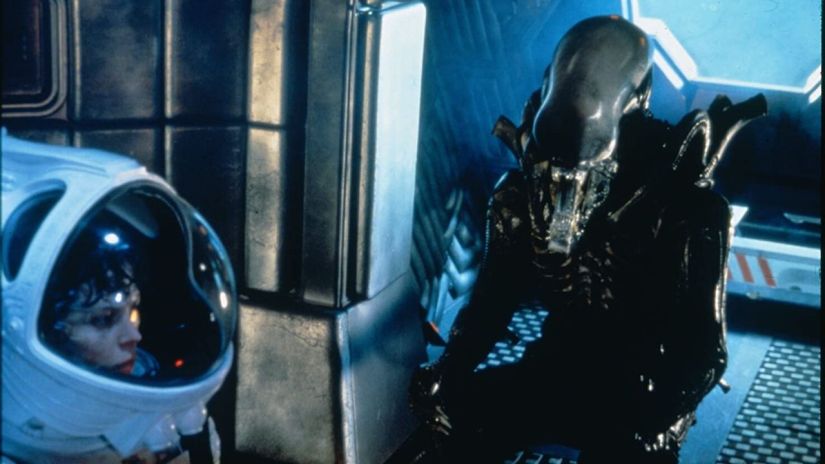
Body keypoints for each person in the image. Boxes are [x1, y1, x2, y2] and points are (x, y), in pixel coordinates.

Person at [409, 16, 766, 463]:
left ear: (636, 104)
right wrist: (449, 371)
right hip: (555, 365)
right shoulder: (518, 196)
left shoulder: (687, 209)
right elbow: (490, 307)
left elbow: (705, 353)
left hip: (647, 385)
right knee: (453, 429)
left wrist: (660, 417)